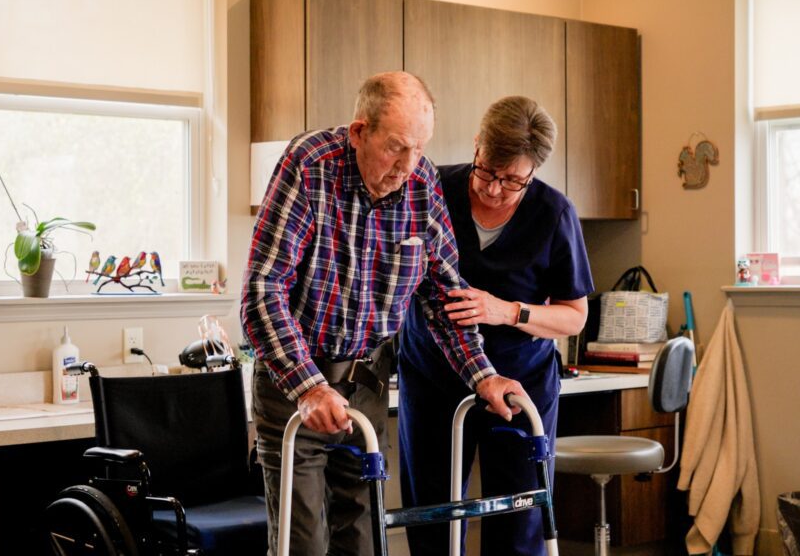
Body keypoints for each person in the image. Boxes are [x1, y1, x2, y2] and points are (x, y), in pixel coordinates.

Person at [240, 72, 526, 556]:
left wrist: (484, 376)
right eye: (396, 148)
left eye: (419, 148)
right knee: (303, 542)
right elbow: (263, 290)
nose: (408, 165)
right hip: (295, 384)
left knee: (365, 540)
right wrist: (310, 387)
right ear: (359, 132)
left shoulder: (422, 183)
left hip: (366, 382)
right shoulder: (309, 166)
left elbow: (444, 299)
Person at [398, 96, 594, 556]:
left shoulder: (554, 213)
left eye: (511, 181)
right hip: (432, 378)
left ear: (534, 172)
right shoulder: (431, 190)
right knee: (432, 515)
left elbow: (574, 316)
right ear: (476, 146)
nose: (492, 189)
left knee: (519, 520)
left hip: (519, 384)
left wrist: (507, 311)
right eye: (485, 170)